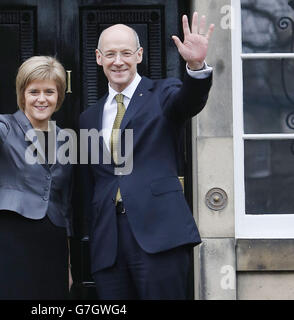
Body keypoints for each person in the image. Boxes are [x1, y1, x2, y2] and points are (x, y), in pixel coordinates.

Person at [79, 12, 215, 299]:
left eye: (126, 53)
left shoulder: (163, 94)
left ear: (139, 55)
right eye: (111, 54)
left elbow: (190, 100)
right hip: (109, 244)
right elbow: (92, 182)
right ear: (98, 57)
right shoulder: (88, 117)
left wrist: (195, 66)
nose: (118, 61)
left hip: (159, 236)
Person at [0, 54, 73, 299]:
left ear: (59, 97)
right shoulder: (5, 126)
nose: (42, 99)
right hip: (14, 231)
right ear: (22, 95)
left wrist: (69, 263)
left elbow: (64, 203)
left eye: (49, 92)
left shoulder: (65, 138)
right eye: (34, 92)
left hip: (53, 235)